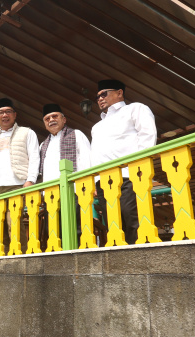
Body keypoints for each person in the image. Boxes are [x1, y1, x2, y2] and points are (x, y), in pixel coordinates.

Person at [90, 79, 157, 244]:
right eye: (97, 96)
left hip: (129, 175)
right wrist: (94, 180)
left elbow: (147, 136)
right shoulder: (96, 127)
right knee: (113, 223)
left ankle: (141, 258)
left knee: (132, 217)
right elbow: (95, 155)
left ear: (119, 92)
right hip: (104, 181)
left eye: (104, 93)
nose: (100, 99)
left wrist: (138, 166)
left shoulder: (135, 109)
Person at [37, 104, 92, 248]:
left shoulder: (76, 134)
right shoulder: (43, 145)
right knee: (54, 230)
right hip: (51, 195)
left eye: (55, 116)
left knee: (77, 227)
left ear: (64, 119)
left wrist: (87, 185)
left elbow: (87, 160)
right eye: (47, 118)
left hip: (74, 190)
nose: (51, 120)